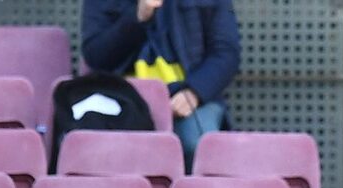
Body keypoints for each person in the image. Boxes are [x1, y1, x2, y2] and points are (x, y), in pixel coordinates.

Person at [81, 0, 241, 170]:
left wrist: (195, 93)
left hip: (187, 94)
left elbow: (226, 53)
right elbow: (95, 56)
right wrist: (138, 17)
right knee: (100, 150)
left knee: (196, 144)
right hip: (123, 96)